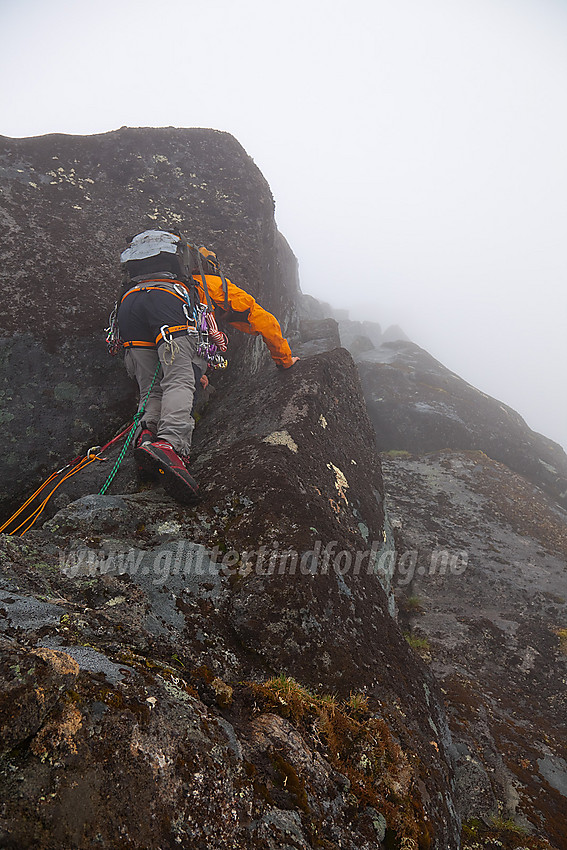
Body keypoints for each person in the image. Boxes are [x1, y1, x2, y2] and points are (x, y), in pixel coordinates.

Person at [115, 230, 299, 503]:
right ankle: (171, 445)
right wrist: (285, 360)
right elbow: (264, 320)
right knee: (179, 381)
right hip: (169, 305)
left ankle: (146, 439)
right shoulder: (209, 284)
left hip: (128, 306)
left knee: (150, 390)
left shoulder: (143, 283)